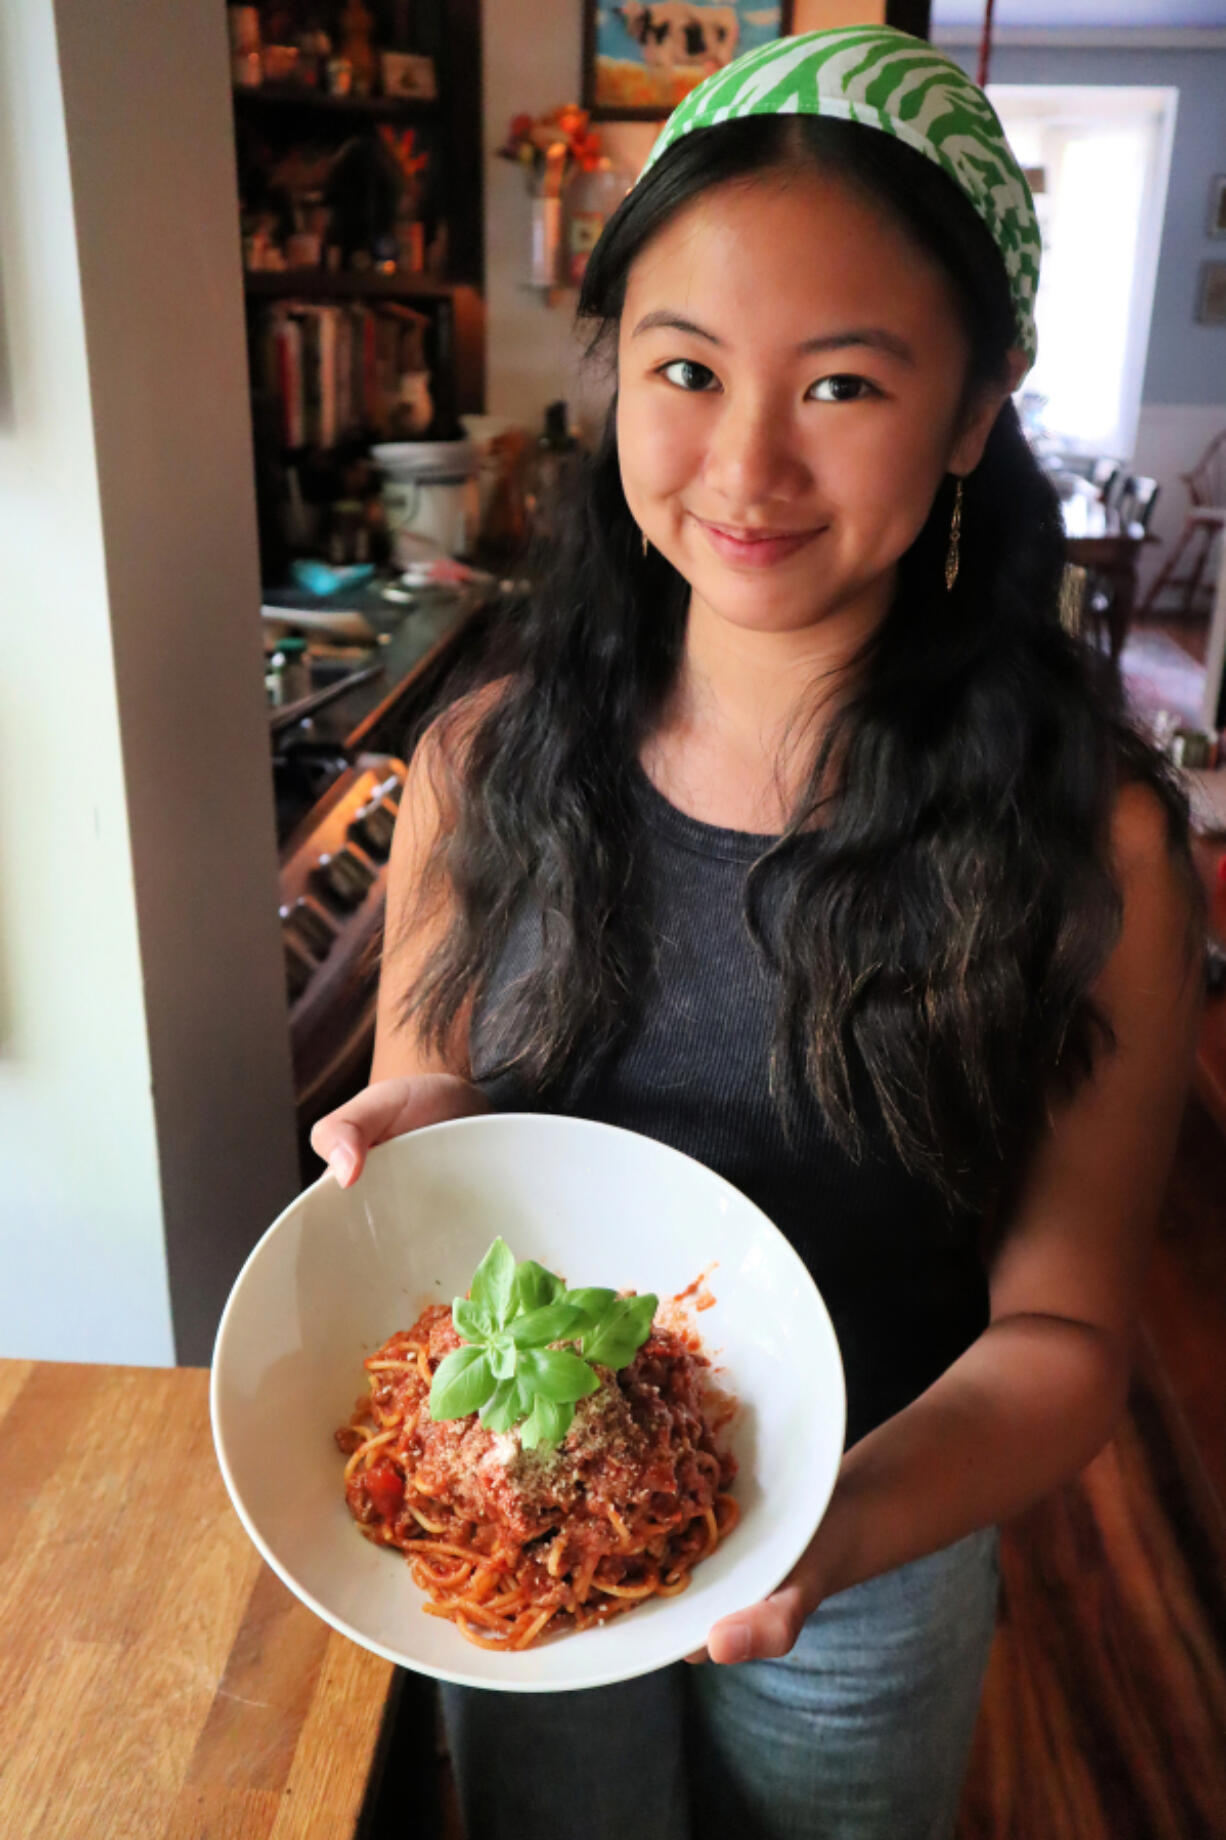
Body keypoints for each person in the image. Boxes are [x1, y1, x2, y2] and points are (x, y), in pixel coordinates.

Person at [312, 26, 1205, 1840]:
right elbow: (435, 1101)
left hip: (868, 1551)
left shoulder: (1084, 842)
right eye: (685, 367)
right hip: (520, 1507)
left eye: (846, 388)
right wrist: (416, 1135)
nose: (745, 463)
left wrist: (835, 1530)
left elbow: (1061, 1332)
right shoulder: (490, 758)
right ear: (616, 373)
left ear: (974, 409)